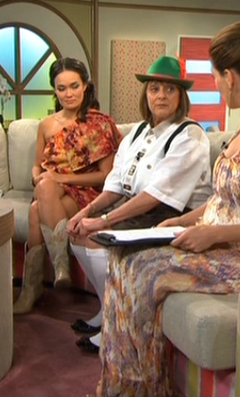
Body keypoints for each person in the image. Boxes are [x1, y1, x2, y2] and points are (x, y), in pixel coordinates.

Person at [80, 22, 240, 397]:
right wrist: (183, 221)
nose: (217, 84)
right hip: (225, 242)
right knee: (125, 257)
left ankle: (129, 395)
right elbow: (227, 198)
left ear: (230, 77)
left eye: (216, 76)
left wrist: (213, 235)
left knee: (143, 269)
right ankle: (134, 386)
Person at [67, 55, 214, 355]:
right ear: (145, 94)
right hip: (141, 208)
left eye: (170, 90)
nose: (161, 96)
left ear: (181, 97)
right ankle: (105, 310)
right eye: (154, 89)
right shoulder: (137, 132)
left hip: (176, 215)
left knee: (97, 239)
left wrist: (104, 221)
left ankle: (112, 325)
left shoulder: (190, 135)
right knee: (78, 234)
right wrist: (86, 212)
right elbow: (115, 184)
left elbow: (156, 196)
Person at [13, 57, 122, 315]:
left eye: (74, 86)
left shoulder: (100, 124)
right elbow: (37, 166)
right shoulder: (46, 125)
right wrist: (37, 177)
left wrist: (61, 178)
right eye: (62, 88)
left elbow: (105, 176)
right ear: (55, 90)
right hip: (50, 189)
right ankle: (59, 269)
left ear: (85, 86)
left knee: (36, 209)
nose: (68, 94)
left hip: (87, 193)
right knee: (44, 189)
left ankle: (33, 288)